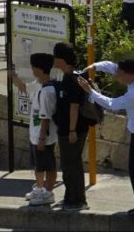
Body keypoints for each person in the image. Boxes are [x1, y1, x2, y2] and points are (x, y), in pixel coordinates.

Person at [79, 59, 134, 220]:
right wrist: (94, 67)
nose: (116, 75)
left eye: (119, 74)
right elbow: (112, 67)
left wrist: (90, 91)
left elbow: (112, 104)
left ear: (127, 74)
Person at [10, 53, 58, 207]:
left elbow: (46, 117)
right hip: (35, 134)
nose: (31, 69)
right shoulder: (37, 84)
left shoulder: (48, 91)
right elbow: (24, 88)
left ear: (39, 69)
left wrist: (42, 138)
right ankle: (39, 188)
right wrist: (14, 78)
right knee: (38, 164)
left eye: (33, 66)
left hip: (44, 136)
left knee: (48, 164)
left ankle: (49, 193)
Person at [52, 42, 90, 211]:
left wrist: (72, 130)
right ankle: (70, 196)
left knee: (72, 164)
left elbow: (74, 105)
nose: (53, 59)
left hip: (73, 129)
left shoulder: (72, 78)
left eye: (55, 56)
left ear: (61, 59)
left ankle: (77, 200)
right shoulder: (68, 76)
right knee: (68, 163)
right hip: (68, 128)